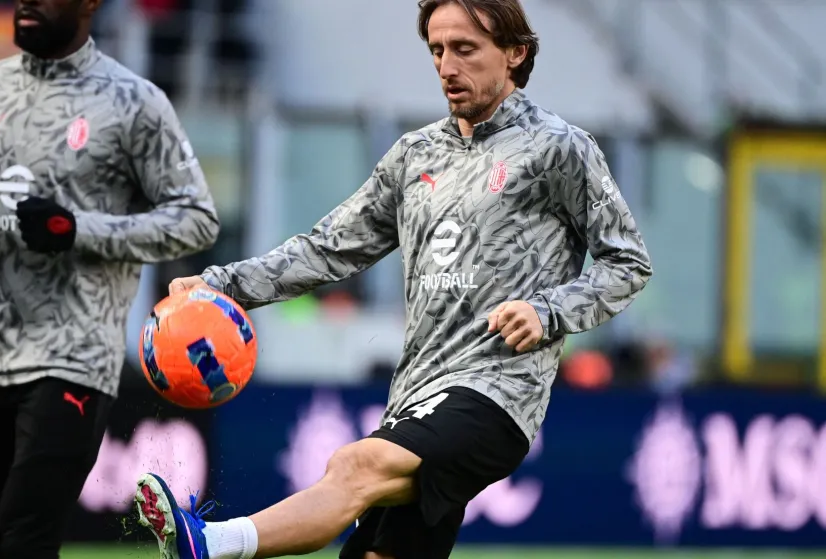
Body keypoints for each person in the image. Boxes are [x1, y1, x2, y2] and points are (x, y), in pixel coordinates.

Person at [136, 0, 652, 558]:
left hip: (496, 393)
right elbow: (330, 249)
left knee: (355, 464)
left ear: (515, 53)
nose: (447, 66)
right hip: (413, 396)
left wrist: (548, 311)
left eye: (465, 49)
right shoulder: (415, 155)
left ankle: (210, 543)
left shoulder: (560, 148)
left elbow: (628, 263)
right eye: (436, 50)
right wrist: (221, 285)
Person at [0, 0, 220, 556]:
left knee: (25, 531)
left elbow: (197, 218)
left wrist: (77, 228)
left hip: (73, 356)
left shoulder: (136, 102)